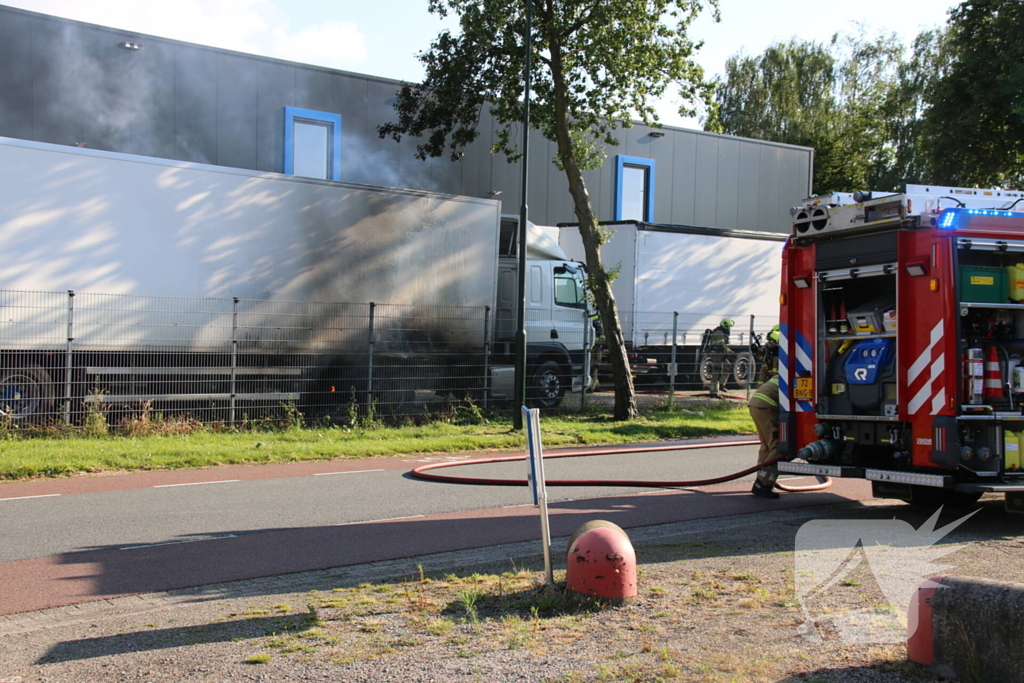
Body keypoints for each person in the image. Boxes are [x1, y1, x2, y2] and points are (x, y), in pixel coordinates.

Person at [748, 372, 781, 498]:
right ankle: (764, 484)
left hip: (755, 405)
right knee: (778, 447)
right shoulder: (792, 377)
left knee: (766, 446)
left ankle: (760, 481)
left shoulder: (782, 375)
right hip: (766, 407)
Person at [707, 318, 735, 398]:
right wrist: (730, 352)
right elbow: (721, 345)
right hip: (716, 355)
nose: (729, 328)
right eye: (728, 326)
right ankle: (713, 392)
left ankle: (721, 385)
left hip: (720, 355)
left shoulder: (722, 332)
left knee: (728, 367)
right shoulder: (719, 333)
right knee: (717, 372)